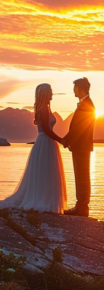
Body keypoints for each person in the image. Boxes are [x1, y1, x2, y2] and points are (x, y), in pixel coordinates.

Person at [0, 84, 67, 213]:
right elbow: (47, 130)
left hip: (48, 143)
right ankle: (42, 200)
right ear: (44, 93)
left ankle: (46, 198)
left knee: (47, 172)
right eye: (50, 92)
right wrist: (61, 140)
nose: (52, 94)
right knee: (45, 171)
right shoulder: (43, 109)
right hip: (45, 142)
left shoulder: (46, 108)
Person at [62, 77, 95, 217]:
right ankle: (80, 205)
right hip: (80, 146)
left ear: (81, 89)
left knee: (82, 176)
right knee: (80, 175)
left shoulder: (87, 105)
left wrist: (68, 140)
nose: (73, 90)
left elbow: (80, 128)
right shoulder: (85, 103)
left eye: (75, 87)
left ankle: (82, 208)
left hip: (81, 147)